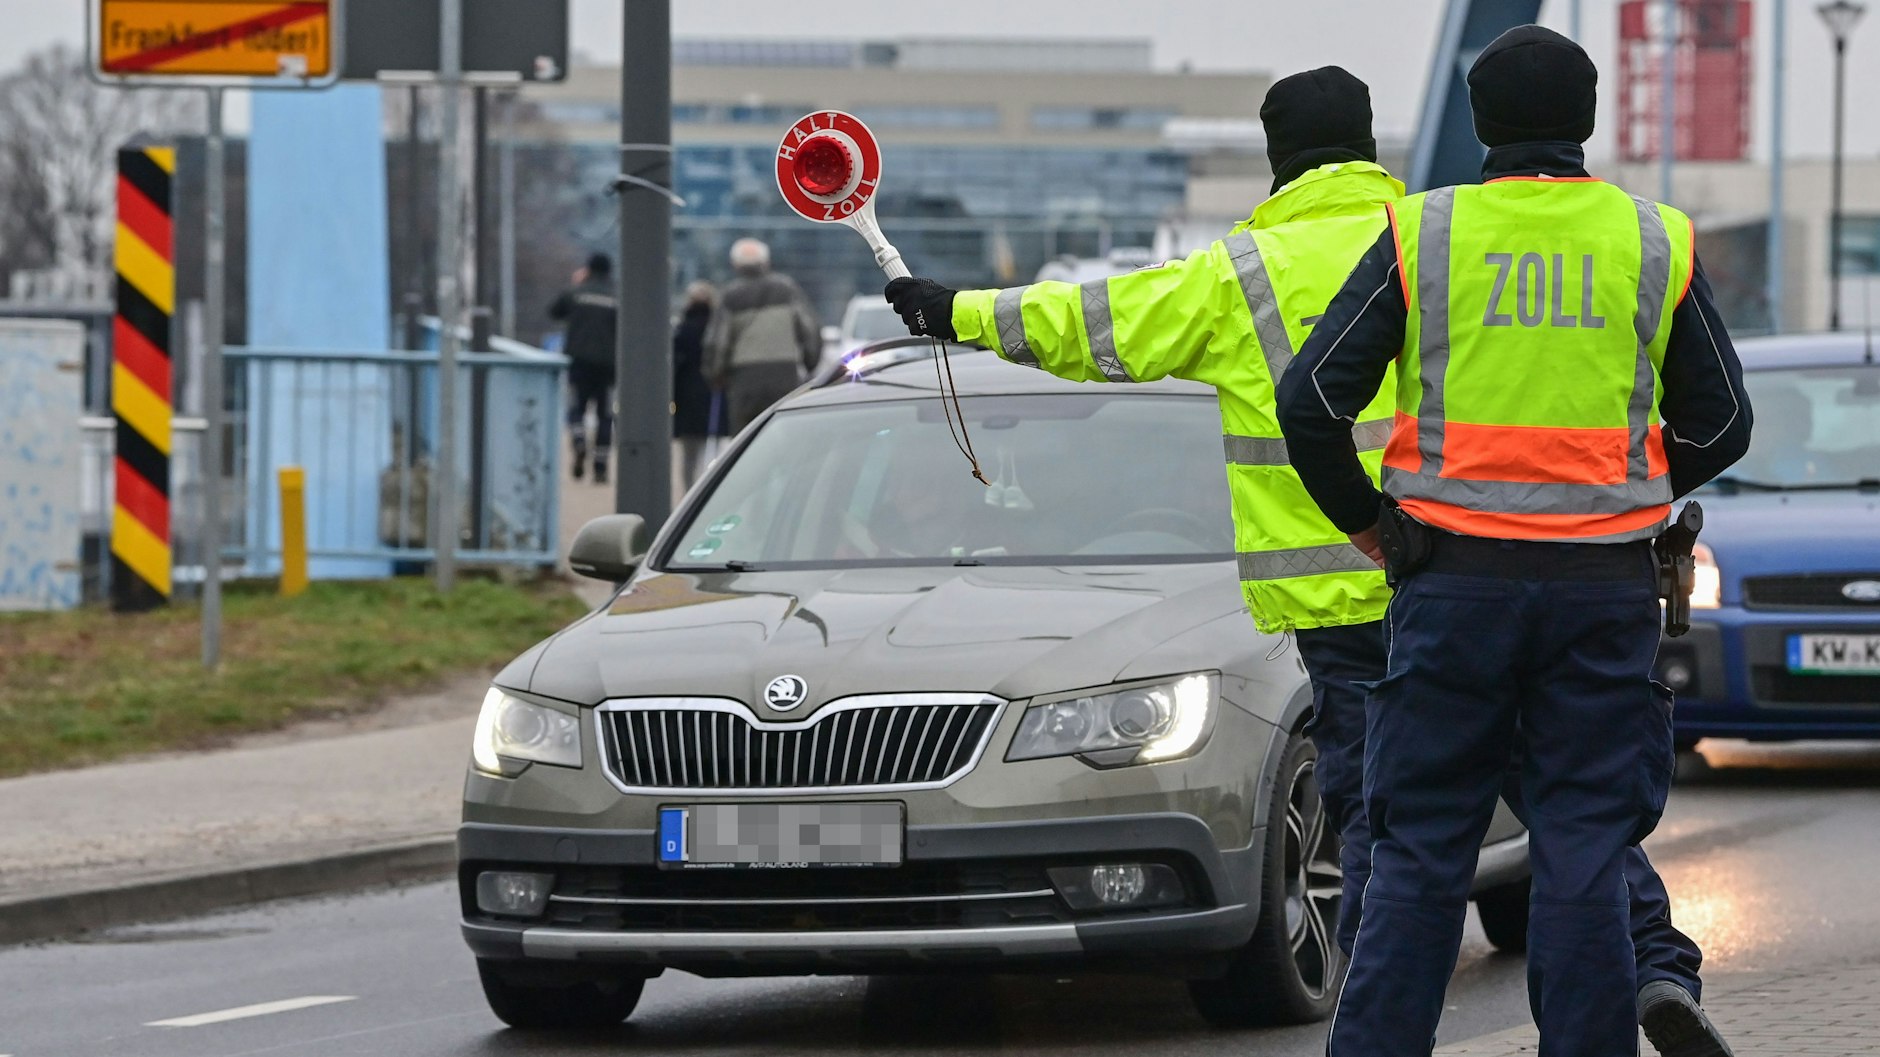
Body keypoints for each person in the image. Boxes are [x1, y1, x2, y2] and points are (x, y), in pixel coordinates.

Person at [890, 65, 1722, 1053]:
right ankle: (1654, 966)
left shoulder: (1260, 270)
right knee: (1573, 808)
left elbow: (1083, 323)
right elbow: (1685, 411)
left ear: (1280, 154)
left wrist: (952, 312)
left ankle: (1375, 1027)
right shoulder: (1443, 234)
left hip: (1365, 595)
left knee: (1392, 831)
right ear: (1367, 144)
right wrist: (1616, 488)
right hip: (1517, 563)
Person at [1274, 28, 1750, 1057]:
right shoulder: (1650, 237)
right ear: (1580, 122)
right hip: (1599, 595)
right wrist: (1625, 493)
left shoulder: (1423, 233)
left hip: (1448, 589)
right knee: (1582, 847)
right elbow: (1719, 425)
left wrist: (1370, 525)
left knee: (1417, 849)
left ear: (1481, 122)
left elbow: (1309, 401)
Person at [703, 237, 821, 433]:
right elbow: (809, 330)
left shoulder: (730, 296)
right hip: (785, 374)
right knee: (785, 433)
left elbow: (717, 342)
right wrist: (810, 363)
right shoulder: (787, 289)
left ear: (735, 265)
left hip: (744, 379)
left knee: (745, 437)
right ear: (766, 262)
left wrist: (715, 375)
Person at [549, 252, 618, 484]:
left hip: (578, 361)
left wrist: (576, 284)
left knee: (576, 408)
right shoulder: (617, 296)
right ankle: (600, 468)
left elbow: (554, 311)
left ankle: (579, 442)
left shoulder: (576, 293)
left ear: (588, 269)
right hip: (608, 366)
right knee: (605, 415)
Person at [672, 280, 717, 490]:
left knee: (689, 453)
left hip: (687, 394)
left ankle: (690, 493)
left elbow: (675, 363)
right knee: (714, 449)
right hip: (715, 393)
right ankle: (708, 491)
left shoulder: (683, 329)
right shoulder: (717, 328)